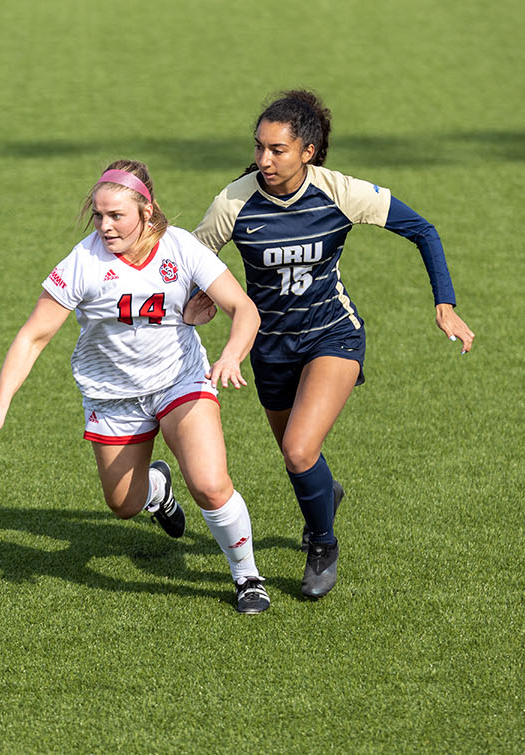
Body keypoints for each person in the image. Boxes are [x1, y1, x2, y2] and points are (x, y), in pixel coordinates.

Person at [186, 89, 475, 600]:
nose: (263, 160)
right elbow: (190, 259)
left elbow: (423, 230)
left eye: (277, 150)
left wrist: (444, 303)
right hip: (269, 346)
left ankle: (322, 544)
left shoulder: (340, 192)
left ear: (308, 152)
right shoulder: (234, 202)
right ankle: (327, 493)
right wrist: (202, 297)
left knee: (299, 451)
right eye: (259, 147)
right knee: (299, 457)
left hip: (331, 333)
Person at [0, 161, 272, 614]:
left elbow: (243, 308)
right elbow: (33, 336)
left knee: (210, 485)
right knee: (123, 506)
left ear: (146, 211)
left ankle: (247, 575)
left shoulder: (180, 247)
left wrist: (231, 354)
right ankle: (156, 490)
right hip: (113, 396)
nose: (105, 226)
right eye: (98, 215)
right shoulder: (83, 262)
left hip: (179, 380)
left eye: (116, 216)